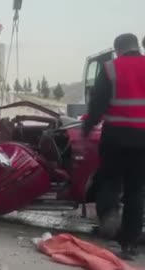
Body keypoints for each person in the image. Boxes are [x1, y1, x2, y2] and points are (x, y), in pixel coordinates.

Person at [81, 33, 145, 260]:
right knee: (136, 191)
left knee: (109, 180)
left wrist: (87, 128)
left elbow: (98, 104)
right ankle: (129, 244)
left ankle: (109, 216)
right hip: (143, 139)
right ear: (136, 46)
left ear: (118, 49)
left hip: (115, 136)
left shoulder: (110, 69)